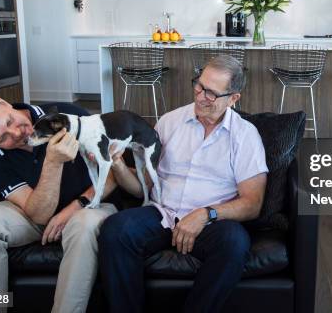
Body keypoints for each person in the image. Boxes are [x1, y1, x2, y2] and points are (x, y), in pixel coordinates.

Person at [98, 55, 268, 313]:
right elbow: (142, 186)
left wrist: (205, 214)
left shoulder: (245, 136)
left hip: (211, 223)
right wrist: (118, 164)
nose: (200, 97)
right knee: (115, 230)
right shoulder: (169, 122)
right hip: (161, 213)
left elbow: (252, 203)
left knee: (235, 243)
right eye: (199, 86)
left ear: (233, 98)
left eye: (211, 94)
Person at [0, 96, 119, 313]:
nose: (17, 134)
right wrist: (53, 163)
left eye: (9, 121)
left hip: (90, 205)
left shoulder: (65, 113)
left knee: (84, 224)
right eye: (2, 139)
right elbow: (38, 214)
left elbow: (113, 174)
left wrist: (77, 205)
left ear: (3, 102)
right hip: (34, 213)